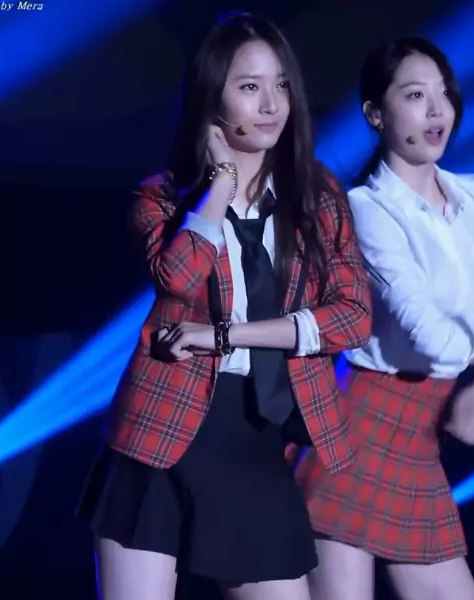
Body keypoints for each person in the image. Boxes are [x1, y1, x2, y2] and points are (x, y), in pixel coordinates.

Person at [76, 11, 371, 600]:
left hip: (253, 442)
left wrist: (226, 336)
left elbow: (354, 318)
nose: (271, 104)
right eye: (249, 86)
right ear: (213, 97)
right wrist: (221, 183)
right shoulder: (162, 197)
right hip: (161, 434)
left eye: (280, 84)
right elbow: (179, 277)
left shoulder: (318, 197)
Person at [291, 36, 474, 600]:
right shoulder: (367, 210)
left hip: (419, 440)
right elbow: (433, 341)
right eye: (416, 96)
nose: (437, 110)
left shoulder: (472, 198)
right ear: (375, 114)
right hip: (358, 432)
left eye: (443, 94)